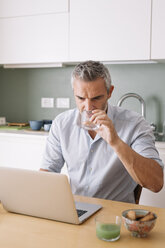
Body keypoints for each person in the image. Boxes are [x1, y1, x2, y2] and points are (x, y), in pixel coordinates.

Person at [40, 60, 164, 203]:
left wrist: (116, 142)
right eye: (80, 98)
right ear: (74, 92)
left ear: (109, 92)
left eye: (96, 98)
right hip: (75, 211)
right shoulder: (62, 123)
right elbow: (47, 172)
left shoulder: (135, 124)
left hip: (114, 217)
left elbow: (156, 183)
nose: (88, 107)